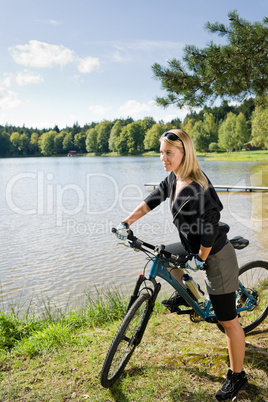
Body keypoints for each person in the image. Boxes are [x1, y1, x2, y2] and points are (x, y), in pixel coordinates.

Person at [115, 129, 248, 401]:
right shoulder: (174, 178)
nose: (163, 157)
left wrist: (200, 259)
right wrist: (126, 222)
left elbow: (209, 229)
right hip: (194, 247)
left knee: (227, 320)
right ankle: (191, 294)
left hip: (215, 255)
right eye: (161, 152)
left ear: (183, 153)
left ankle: (237, 377)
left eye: (168, 153)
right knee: (162, 256)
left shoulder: (195, 187)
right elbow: (152, 200)